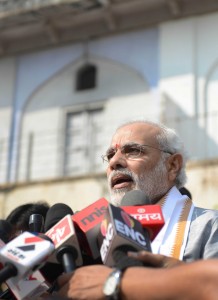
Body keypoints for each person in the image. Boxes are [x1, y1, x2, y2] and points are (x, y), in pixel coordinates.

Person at [56, 120, 218, 299]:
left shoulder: (210, 225)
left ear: (172, 165)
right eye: (110, 155)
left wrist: (116, 283)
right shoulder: (98, 236)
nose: (114, 162)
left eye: (133, 150)